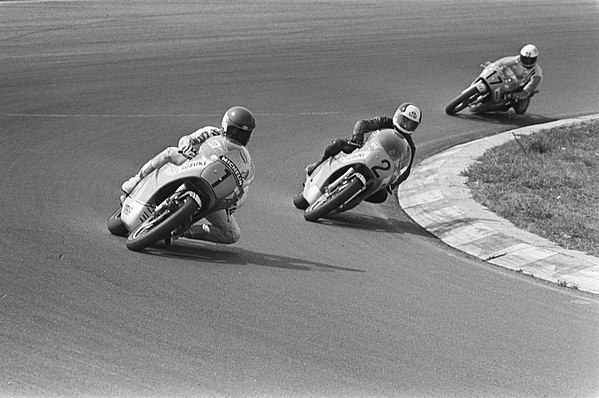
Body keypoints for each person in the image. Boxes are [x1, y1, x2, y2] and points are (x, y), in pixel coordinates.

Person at [120, 106, 256, 244]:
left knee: (233, 234)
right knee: (170, 152)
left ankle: (182, 230)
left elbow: (244, 189)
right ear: (225, 125)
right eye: (235, 131)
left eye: (243, 134)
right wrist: (186, 147)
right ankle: (136, 180)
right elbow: (187, 139)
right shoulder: (211, 132)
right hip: (189, 167)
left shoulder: (246, 162)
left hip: (213, 193)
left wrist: (234, 204)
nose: (238, 136)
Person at [305, 102, 421, 203]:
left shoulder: (409, 147)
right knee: (338, 144)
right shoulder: (385, 122)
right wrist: (357, 139)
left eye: (411, 124)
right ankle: (318, 164)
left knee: (382, 196)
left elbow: (405, 171)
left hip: (379, 170)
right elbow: (362, 123)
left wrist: (392, 184)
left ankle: (350, 198)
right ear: (397, 116)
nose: (406, 125)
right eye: (404, 120)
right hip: (362, 151)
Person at [484, 44, 543, 114]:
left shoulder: (537, 73)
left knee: (520, 110)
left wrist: (512, 95)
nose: (527, 61)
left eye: (531, 60)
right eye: (525, 58)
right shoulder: (516, 60)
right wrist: (493, 65)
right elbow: (501, 62)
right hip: (507, 79)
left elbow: (527, 91)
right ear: (521, 56)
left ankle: (508, 104)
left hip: (520, 88)